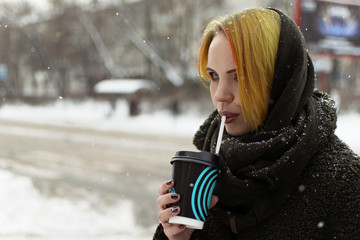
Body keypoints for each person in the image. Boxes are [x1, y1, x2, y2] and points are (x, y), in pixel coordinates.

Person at [154, 7, 360, 240]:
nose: (221, 95)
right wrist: (179, 237)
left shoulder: (343, 182)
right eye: (214, 76)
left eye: (240, 76)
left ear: (280, 78)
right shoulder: (213, 165)